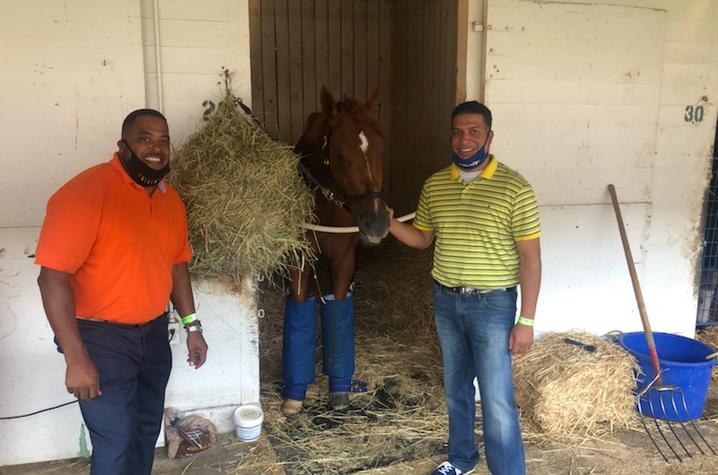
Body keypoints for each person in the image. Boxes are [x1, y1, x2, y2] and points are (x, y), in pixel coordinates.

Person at [35, 109, 208, 475]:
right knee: (115, 440)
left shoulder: (169, 201)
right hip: (101, 340)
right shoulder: (86, 193)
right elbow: (52, 279)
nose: (156, 148)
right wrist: (76, 358)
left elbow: (178, 265)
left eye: (163, 140)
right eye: (145, 138)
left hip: (153, 335)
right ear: (123, 145)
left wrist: (193, 326)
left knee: (145, 433)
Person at [389, 101, 541, 475]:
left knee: (496, 399)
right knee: (456, 389)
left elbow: (531, 259)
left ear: (489, 136)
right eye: (458, 132)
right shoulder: (436, 184)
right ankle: (461, 459)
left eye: (474, 131)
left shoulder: (515, 188)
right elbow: (423, 239)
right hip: (446, 301)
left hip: (492, 307)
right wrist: (389, 223)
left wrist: (527, 320)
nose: (464, 139)